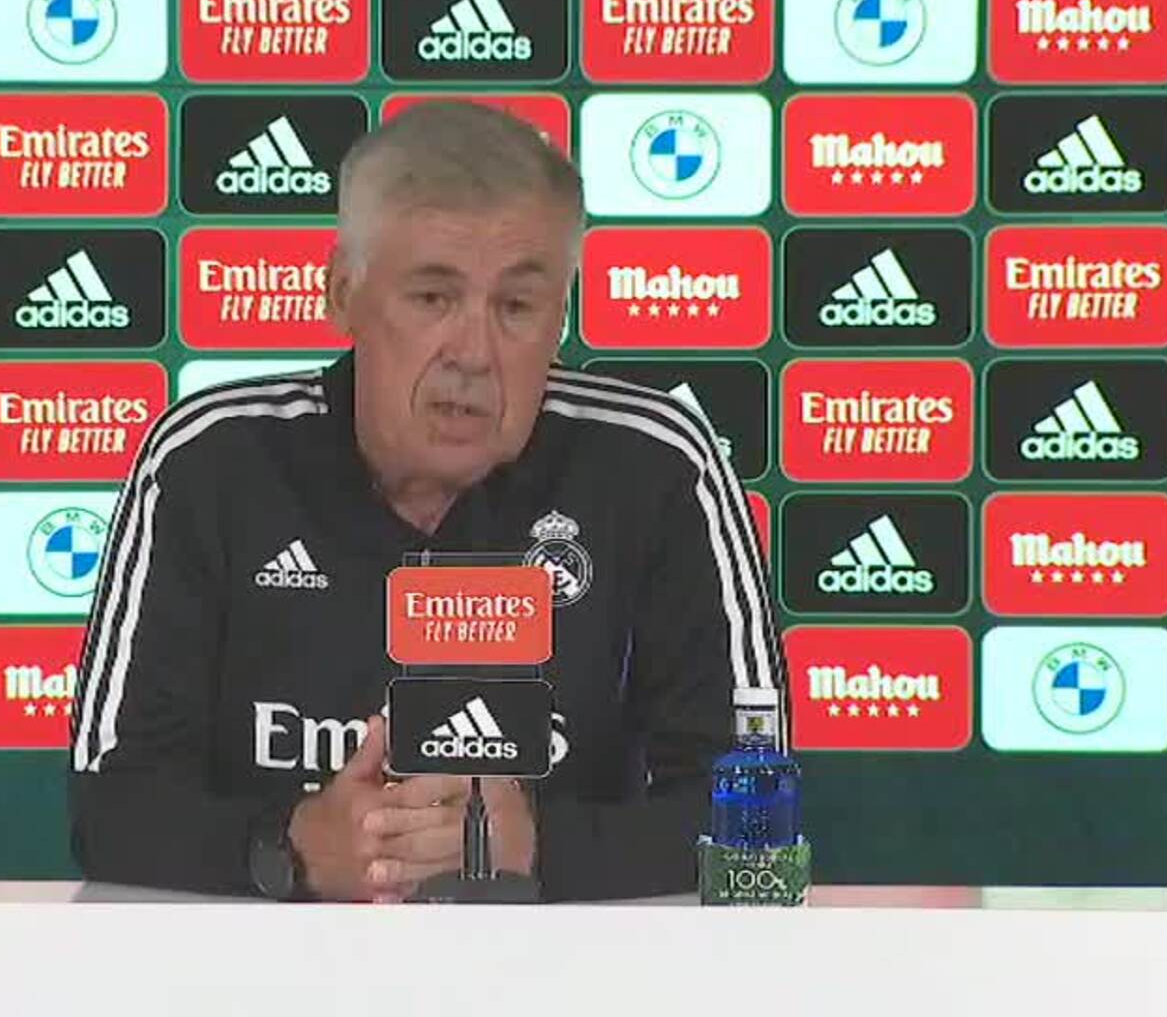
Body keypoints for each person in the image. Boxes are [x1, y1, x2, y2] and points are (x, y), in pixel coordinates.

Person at [68, 100, 778, 902]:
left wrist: (537, 847)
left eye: (516, 307)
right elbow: (110, 808)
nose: (473, 353)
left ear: (562, 314)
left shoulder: (657, 465)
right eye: (433, 299)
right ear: (343, 292)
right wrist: (289, 846)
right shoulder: (211, 462)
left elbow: (757, 819)